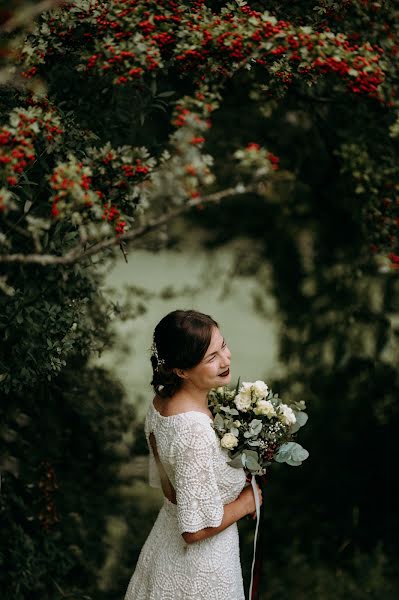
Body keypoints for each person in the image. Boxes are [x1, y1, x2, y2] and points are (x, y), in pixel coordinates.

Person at [124, 308, 263, 600]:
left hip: (165, 549)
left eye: (222, 345)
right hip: (200, 572)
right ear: (182, 370)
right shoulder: (194, 431)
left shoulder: (161, 402)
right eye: (211, 358)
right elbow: (194, 530)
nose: (225, 360)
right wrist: (247, 502)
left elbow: (169, 487)